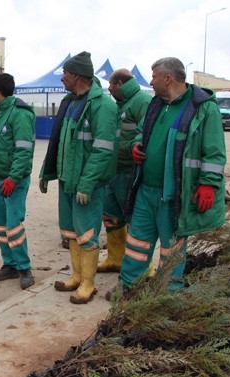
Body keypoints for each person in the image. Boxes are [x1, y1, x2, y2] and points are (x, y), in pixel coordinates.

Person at [117, 57, 226, 293]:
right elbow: (141, 132)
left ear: (167, 78)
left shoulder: (203, 108)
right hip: (145, 191)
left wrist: (208, 184)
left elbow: (215, 153)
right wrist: (136, 144)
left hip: (174, 194)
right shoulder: (156, 104)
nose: (151, 81)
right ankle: (127, 287)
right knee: (136, 244)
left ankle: (167, 294)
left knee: (171, 250)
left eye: (154, 76)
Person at [39, 51, 118, 304]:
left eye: (65, 73)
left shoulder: (103, 106)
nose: (62, 78)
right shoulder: (71, 102)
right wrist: (47, 173)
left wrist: (87, 182)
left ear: (76, 75)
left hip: (87, 185)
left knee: (86, 234)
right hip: (67, 181)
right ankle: (76, 276)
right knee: (71, 233)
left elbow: (103, 149)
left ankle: (88, 283)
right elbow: (57, 143)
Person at [98, 69, 152, 274]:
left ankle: (144, 268)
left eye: (111, 86)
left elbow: (144, 134)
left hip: (129, 171)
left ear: (119, 83)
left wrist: (124, 146)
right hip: (113, 170)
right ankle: (115, 258)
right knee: (111, 215)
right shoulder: (118, 105)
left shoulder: (142, 101)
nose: (109, 90)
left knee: (134, 220)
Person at [0, 73, 36, 289]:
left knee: (13, 226)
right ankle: (10, 265)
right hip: (2, 179)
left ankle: (25, 268)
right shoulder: (1, 113)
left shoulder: (20, 114)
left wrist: (14, 177)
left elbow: (23, 151)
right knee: (1, 225)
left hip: (15, 182)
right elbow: (2, 148)